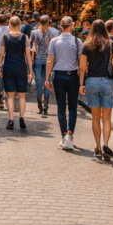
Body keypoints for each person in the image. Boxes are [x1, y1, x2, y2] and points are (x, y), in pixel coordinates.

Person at [79, 19, 113, 163]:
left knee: (95, 118)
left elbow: (83, 66)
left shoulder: (86, 45)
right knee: (107, 118)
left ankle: (97, 146)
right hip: (108, 82)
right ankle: (105, 145)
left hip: (91, 81)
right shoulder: (111, 44)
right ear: (104, 29)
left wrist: (81, 84)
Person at [46, 16, 82, 151]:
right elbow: (81, 62)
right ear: (72, 25)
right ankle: (70, 135)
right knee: (73, 108)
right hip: (73, 76)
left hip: (59, 76)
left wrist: (47, 78)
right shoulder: (78, 41)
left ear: (60, 26)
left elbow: (50, 60)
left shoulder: (54, 41)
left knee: (61, 108)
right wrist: (82, 79)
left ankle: (63, 136)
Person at [0, 16, 34, 131]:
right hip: (21, 67)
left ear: (10, 25)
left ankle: (11, 119)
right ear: (19, 25)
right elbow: (28, 55)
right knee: (22, 95)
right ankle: (22, 117)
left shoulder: (5, 37)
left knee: (10, 96)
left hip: (8, 67)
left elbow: (0, 54)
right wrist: (31, 71)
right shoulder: (25, 37)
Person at [30, 15, 59, 116]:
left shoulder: (34, 32)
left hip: (38, 59)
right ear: (49, 21)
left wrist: (31, 61)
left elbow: (33, 48)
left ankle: (39, 104)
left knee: (39, 82)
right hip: (50, 60)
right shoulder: (56, 32)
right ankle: (46, 104)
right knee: (48, 81)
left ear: (39, 21)